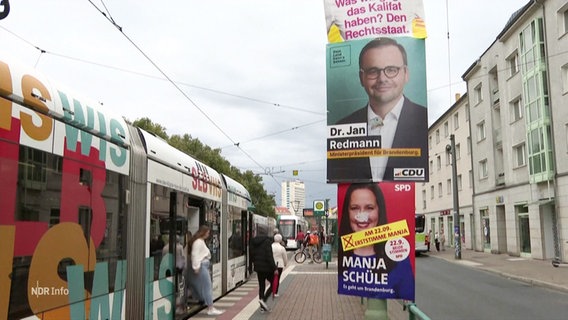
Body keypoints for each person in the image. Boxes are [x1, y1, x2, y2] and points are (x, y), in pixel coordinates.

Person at [327, 37, 428, 182]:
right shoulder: (340, 129)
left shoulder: (423, 121)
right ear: (362, 77)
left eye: (391, 70)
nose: (382, 79)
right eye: (373, 71)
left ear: (406, 73)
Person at [338, 183, 414, 299]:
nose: (362, 216)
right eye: (354, 208)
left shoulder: (399, 259)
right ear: (347, 213)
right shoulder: (341, 257)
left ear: (379, 211)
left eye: (369, 208)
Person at [187, 225, 224, 316]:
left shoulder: (200, 241)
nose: (208, 235)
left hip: (202, 266)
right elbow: (194, 255)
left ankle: (206, 304)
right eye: (207, 233)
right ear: (203, 232)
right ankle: (210, 308)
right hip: (201, 266)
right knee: (207, 286)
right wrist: (196, 267)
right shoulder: (199, 242)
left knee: (201, 286)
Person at [250, 232, 278, 312]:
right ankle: (264, 300)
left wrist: (255, 263)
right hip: (267, 268)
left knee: (261, 286)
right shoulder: (267, 242)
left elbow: (251, 255)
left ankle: (262, 307)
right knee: (273, 283)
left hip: (259, 268)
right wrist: (275, 268)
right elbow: (269, 256)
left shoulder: (253, 242)